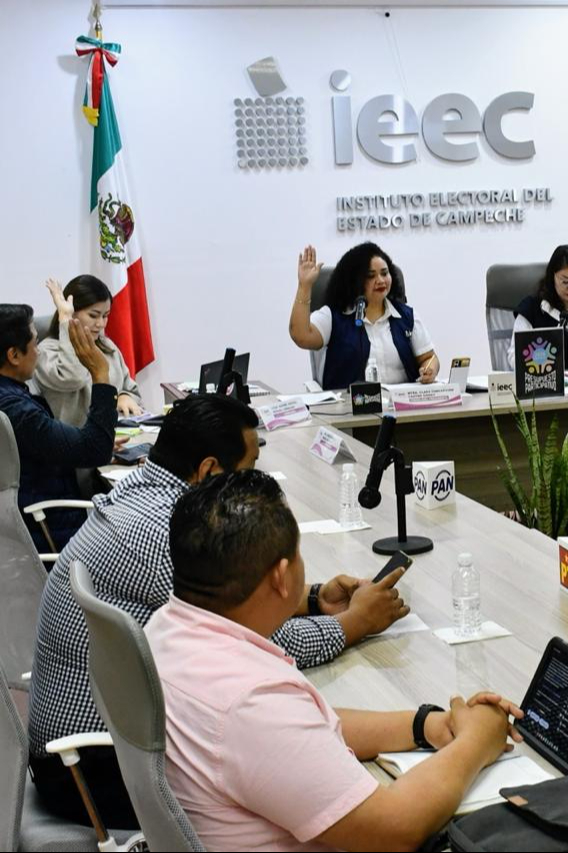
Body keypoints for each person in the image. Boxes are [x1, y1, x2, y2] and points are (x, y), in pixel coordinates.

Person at [26, 393, 409, 830]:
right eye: (249, 469)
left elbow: (229, 601)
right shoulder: (165, 534)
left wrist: (314, 599)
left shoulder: (141, 492)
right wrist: (355, 623)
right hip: (95, 771)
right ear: (210, 470)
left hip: (94, 748)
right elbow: (261, 642)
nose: (255, 482)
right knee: (314, 783)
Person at [150, 469, 522, 851]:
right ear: (281, 577)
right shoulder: (250, 701)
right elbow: (394, 828)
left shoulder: (166, 628)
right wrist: (477, 741)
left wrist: (425, 724)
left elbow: (303, 730)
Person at [0, 303, 120, 551]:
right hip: (51, 532)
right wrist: (100, 375)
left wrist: (84, 438)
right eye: (35, 343)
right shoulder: (15, 410)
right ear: (13, 355)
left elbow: (48, 443)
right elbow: (95, 450)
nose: (39, 352)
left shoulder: (12, 398)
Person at [290, 242, 440, 390]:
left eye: (384, 273)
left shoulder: (406, 316)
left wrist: (430, 369)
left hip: (400, 402)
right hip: (349, 403)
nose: (380, 280)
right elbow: (301, 336)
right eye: (370, 276)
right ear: (354, 280)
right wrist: (305, 286)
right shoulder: (334, 316)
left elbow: (429, 358)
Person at [34, 276, 144, 425]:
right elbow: (73, 378)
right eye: (93, 315)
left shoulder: (107, 346)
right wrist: (65, 320)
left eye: (105, 316)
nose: (101, 324)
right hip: (75, 437)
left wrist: (124, 396)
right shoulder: (46, 352)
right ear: (72, 311)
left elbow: (132, 390)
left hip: (118, 433)